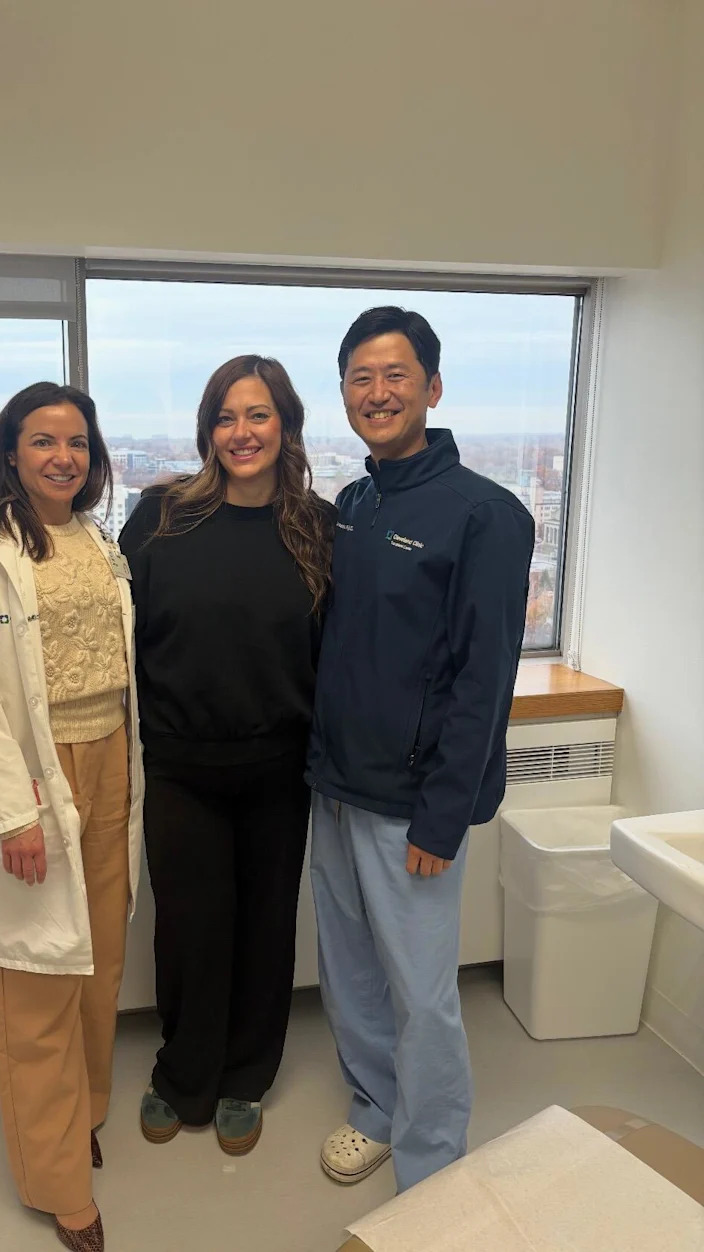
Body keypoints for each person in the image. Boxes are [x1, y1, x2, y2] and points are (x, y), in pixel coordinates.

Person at [307, 308, 534, 1194]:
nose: (378, 393)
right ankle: (374, 1109)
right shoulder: (354, 507)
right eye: (360, 378)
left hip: (414, 806)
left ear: (432, 388)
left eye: (395, 375)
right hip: (335, 786)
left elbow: (485, 685)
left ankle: (434, 1158)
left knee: (424, 993)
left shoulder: (486, 515)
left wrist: (445, 814)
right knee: (352, 973)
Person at [0, 381, 144, 1252]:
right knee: (36, 982)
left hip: (111, 760)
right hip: (35, 773)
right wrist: (12, 813)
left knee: (99, 959)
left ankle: (83, 1115)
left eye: (78, 442)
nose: (64, 456)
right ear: (11, 450)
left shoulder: (97, 540)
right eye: (44, 440)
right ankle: (57, 1182)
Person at [119, 354, 335, 1155]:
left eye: (258, 415)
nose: (241, 433)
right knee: (187, 929)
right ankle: (183, 1073)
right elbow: (115, 639)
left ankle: (245, 1076)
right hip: (180, 765)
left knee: (265, 926)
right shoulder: (159, 517)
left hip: (280, 767)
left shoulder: (316, 525)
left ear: (286, 425)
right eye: (225, 416)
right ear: (207, 428)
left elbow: (337, 652)